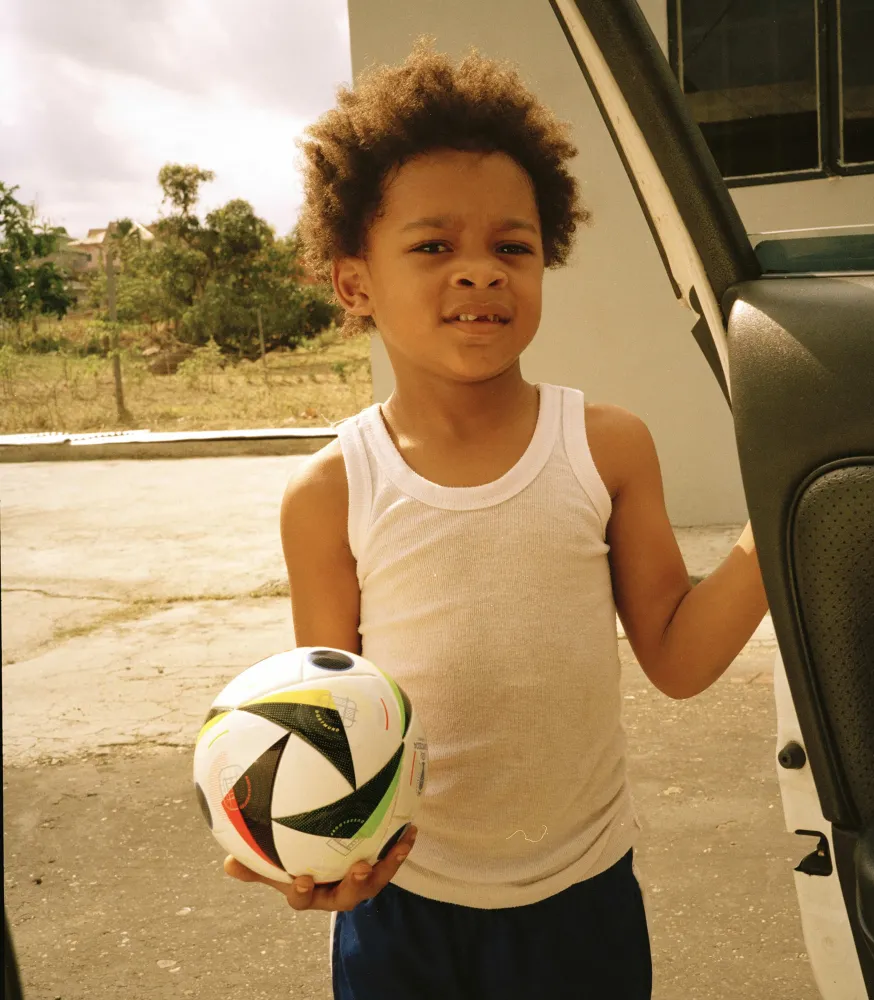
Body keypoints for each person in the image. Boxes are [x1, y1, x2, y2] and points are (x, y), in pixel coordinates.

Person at [224, 38, 768, 1000]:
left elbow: (679, 662)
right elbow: (335, 726)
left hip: (582, 900)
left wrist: (778, 520)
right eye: (433, 246)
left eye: (510, 246)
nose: (478, 273)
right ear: (355, 282)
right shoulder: (328, 492)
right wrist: (311, 861)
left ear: (546, 259)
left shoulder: (606, 447)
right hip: (404, 908)